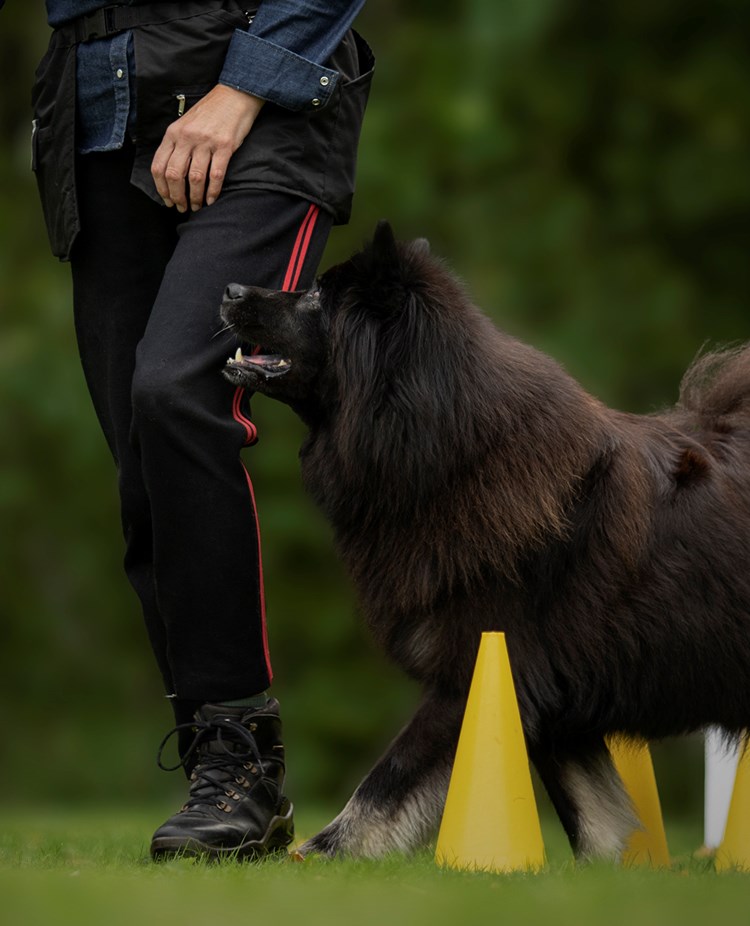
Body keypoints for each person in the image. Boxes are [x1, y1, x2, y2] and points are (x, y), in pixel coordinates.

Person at [26, 0, 373, 860]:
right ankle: (222, 777)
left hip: (254, 104)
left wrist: (245, 87)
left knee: (179, 389)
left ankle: (243, 763)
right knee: (146, 462)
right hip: (96, 111)